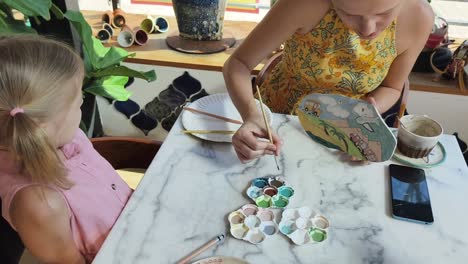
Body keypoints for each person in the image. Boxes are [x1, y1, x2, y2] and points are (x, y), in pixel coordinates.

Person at [223, 0, 434, 163]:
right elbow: (238, 63)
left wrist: (367, 114)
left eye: (383, 13)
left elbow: (392, 87)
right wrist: (250, 114)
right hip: (277, 125)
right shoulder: (304, 5)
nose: (368, 29)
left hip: (345, 133)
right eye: (349, 14)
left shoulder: (418, 18)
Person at [0, 35, 132, 263]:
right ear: (43, 127)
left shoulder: (66, 136)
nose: (81, 107)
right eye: (79, 103)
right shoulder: (39, 203)